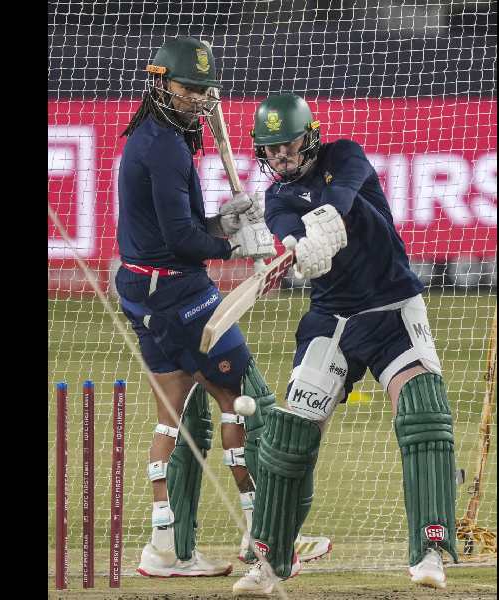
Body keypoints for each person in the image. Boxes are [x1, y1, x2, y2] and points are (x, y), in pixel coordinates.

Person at [115, 38, 331, 578]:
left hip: (144, 289)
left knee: (177, 414)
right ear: (161, 82)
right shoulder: (162, 146)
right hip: (178, 293)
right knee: (250, 401)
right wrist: (236, 243)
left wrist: (224, 222)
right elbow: (182, 241)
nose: (195, 101)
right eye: (187, 90)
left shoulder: (158, 138)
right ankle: (273, 536)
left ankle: (166, 548)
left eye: (202, 92)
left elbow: (182, 231)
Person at [232, 94, 460, 596]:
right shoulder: (277, 199)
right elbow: (290, 232)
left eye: (288, 147)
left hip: (391, 309)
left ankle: (428, 549)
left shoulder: (345, 155)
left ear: (309, 136)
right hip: (331, 319)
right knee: (290, 437)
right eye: (270, 151)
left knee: (424, 415)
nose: (280, 159)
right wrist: (296, 248)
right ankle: (270, 559)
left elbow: (340, 202)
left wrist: (322, 229)